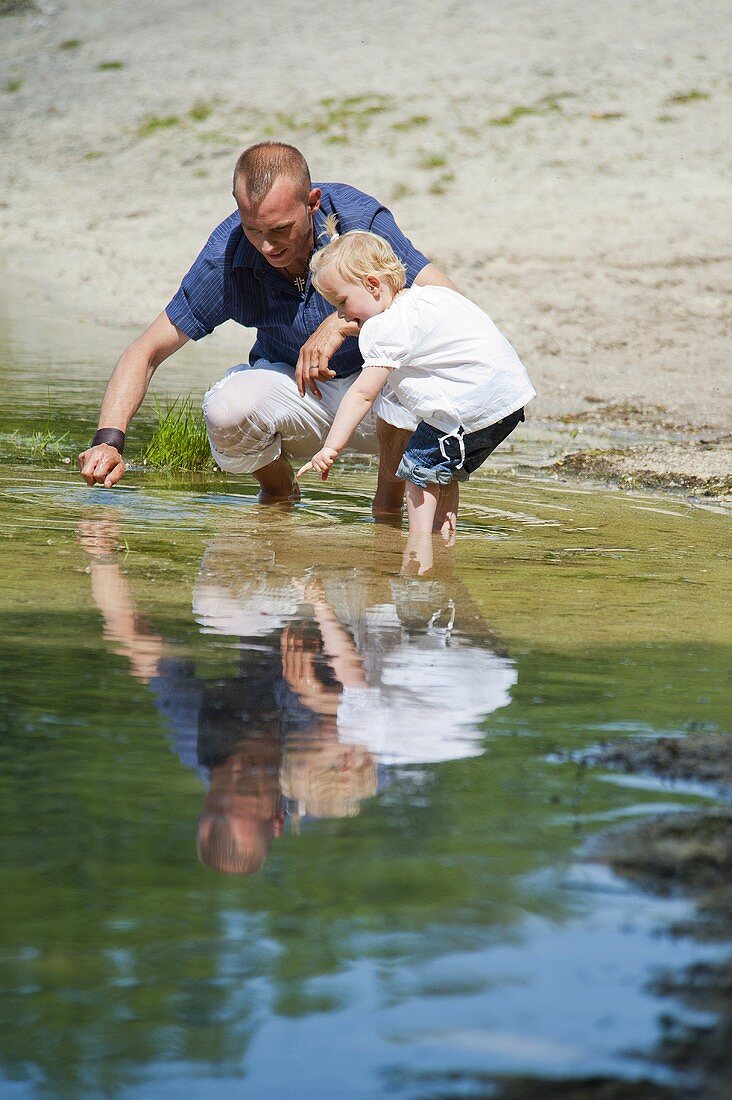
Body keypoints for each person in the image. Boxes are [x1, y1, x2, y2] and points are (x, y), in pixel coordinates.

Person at [77, 141, 455, 512]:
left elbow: (446, 301)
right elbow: (146, 350)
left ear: (312, 203)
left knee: (409, 369)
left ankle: (386, 505)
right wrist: (109, 441)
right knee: (227, 409)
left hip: (383, 398)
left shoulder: (357, 218)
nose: (267, 246)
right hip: (302, 398)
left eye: (279, 229)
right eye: (254, 230)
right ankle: (280, 495)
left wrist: (341, 321)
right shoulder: (227, 254)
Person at [299, 224, 536, 537]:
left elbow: (363, 395)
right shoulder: (426, 299)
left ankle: (419, 545)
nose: (341, 316)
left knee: (417, 468)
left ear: (373, 285)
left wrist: (331, 446)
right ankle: (443, 538)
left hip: (470, 407)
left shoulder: (385, 328)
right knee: (442, 469)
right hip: (506, 398)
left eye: (341, 302)